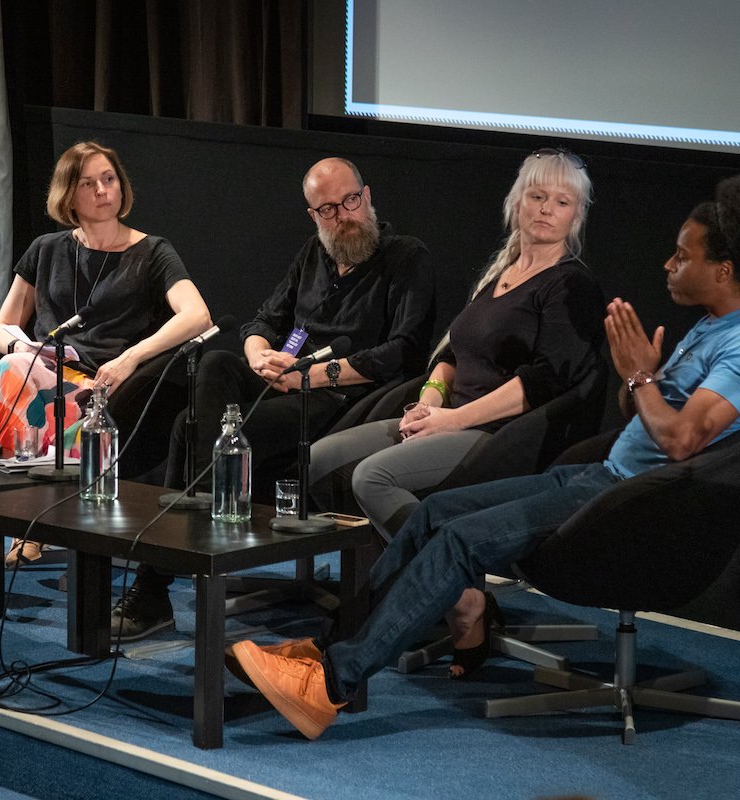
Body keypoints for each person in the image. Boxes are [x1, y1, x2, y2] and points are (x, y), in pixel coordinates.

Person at [229, 174, 740, 740]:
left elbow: (681, 442)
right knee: (433, 514)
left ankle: (332, 683)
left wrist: (641, 376)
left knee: (460, 538)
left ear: (723, 270)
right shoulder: (711, 327)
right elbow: (644, 408)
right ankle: (322, 651)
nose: (668, 263)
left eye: (682, 255)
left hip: (633, 502)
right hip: (601, 474)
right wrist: (638, 377)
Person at [112, 156, 436, 642]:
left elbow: (405, 351)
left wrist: (311, 375)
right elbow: (263, 319)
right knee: (218, 363)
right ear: (313, 215)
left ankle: (161, 579)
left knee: (192, 429)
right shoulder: (314, 254)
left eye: (350, 201)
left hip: (342, 398)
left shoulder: (406, 256)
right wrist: (260, 354)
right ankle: (203, 524)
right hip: (283, 382)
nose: (343, 215)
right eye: (327, 209)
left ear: (367, 197)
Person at [310, 148, 605, 543]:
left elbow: (544, 381)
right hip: (448, 417)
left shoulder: (571, 285)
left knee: (373, 477)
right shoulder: (502, 273)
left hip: (497, 436)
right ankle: (375, 574)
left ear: (577, 215)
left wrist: (452, 421)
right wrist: (431, 399)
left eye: (562, 201)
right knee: (317, 459)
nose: (547, 209)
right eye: (537, 196)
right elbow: (453, 353)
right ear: (517, 202)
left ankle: (456, 587)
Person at [0, 140, 211, 607]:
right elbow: (2, 326)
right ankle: (22, 527)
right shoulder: (47, 248)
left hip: (106, 386)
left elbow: (197, 315)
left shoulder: (153, 252)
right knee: (15, 365)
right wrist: (25, 346)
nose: (103, 190)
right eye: (88, 183)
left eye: (109, 179)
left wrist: (131, 356)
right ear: (68, 195)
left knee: (16, 376)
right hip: (40, 370)